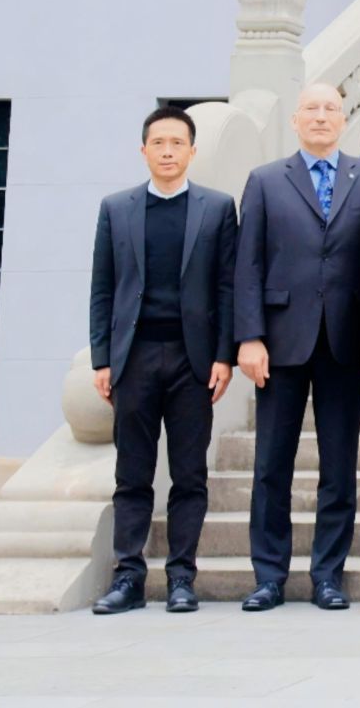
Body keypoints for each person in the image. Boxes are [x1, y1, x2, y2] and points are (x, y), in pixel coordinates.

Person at [234, 84, 360, 612]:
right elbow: (248, 264)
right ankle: (268, 576)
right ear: (295, 120)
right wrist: (249, 336)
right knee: (270, 465)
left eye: (331, 109)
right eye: (311, 109)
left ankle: (328, 575)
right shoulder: (264, 180)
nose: (321, 117)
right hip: (279, 341)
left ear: (344, 119)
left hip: (347, 339)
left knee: (339, 466)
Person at [88, 106, 238, 616]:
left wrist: (224, 356)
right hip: (133, 359)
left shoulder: (217, 209)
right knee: (132, 474)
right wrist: (102, 359)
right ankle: (128, 577)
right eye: (159, 143)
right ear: (144, 150)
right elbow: (102, 289)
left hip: (193, 361)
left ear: (192, 151)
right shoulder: (116, 209)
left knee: (189, 475)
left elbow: (227, 287)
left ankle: (181, 578)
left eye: (177, 143)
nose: (168, 152)